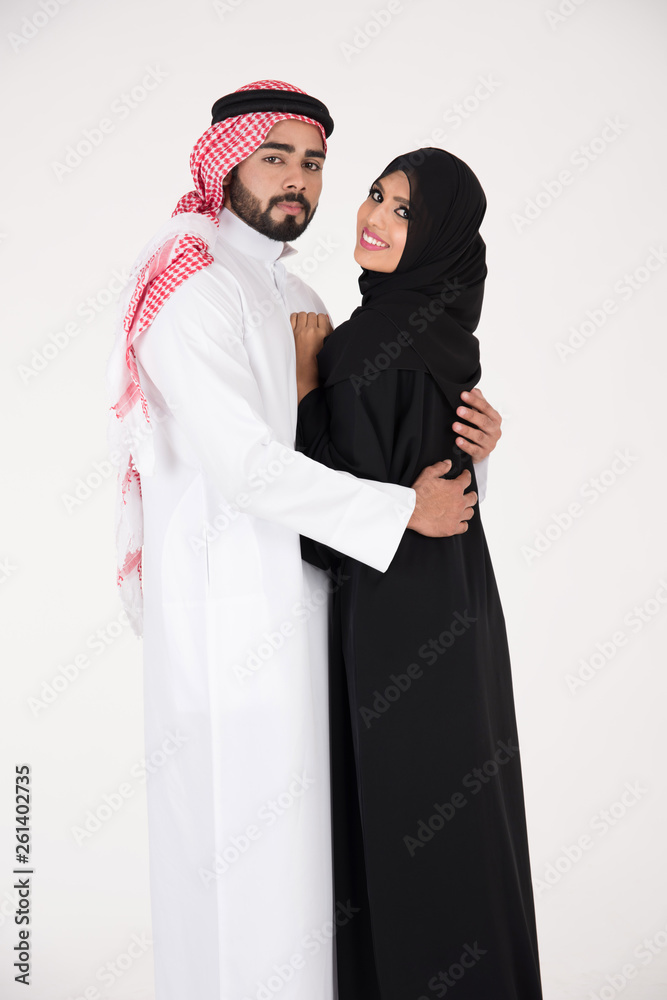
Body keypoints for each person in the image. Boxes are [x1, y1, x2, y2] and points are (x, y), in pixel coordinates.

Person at [106, 82, 502, 1000]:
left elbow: (364, 446)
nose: (297, 178)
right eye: (274, 155)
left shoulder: (302, 293)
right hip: (226, 627)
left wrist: (477, 446)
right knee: (233, 871)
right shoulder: (189, 280)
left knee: (308, 888)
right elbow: (245, 467)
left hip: (319, 616)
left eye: (314, 162)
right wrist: (402, 512)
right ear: (225, 161)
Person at [292, 149, 543, 998]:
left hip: (394, 624)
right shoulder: (444, 338)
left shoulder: (367, 347)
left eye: (404, 210)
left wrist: (301, 390)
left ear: (436, 238)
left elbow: (325, 528)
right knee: (463, 826)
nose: (374, 216)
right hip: (455, 609)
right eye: (376, 195)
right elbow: (427, 486)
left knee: (405, 836)